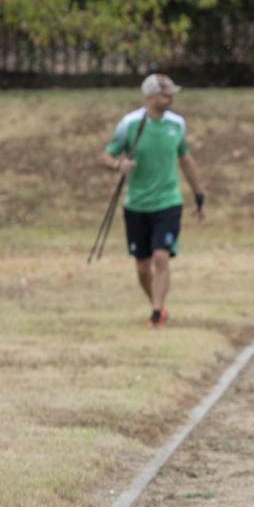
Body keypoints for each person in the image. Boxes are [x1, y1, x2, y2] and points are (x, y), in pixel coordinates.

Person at [101, 73, 207, 327]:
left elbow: (186, 159)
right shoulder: (130, 124)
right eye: (165, 94)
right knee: (142, 265)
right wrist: (118, 165)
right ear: (150, 96)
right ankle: (157, 305)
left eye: (172, 94)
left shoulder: (177, 124)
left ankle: (157, 313)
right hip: (136, 203)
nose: (171, 98)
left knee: (161, 257)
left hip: (168, 202)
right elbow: (106, 155)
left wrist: (198, 193)